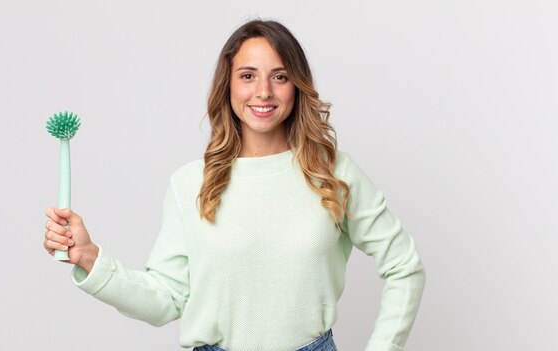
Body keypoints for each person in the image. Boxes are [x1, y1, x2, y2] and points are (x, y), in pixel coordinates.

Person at [43, 19, 426, 351]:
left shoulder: (333, 173)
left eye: (280, 76)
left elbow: (404, 267)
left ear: (297, 86)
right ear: (228, 85)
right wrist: (91, 258)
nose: (264, 92)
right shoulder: (190, 182)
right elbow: (167, 298)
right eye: (248, 76)